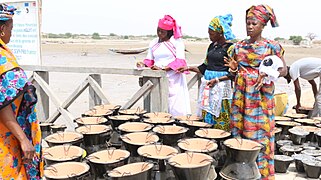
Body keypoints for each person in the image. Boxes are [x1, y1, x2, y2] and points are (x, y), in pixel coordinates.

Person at [225, 4, 287, 179]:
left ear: (263, 25)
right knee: (239, 134)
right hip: (240, 98)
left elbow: (283, 70)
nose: (250, 27)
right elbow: (233, 75)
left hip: (261, 99)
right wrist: (234, 70)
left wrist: (267, 74)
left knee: (260, 136)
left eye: (254, 23)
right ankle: (240, 173)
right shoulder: (238, 47)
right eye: (247, 23)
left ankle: (261, 174)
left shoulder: (272, 47)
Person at [0, 3, 43, 179]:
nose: (12, 33)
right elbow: (3, 105)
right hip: (5, 139)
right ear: (2, 29)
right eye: (11, 28)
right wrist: (24, 140)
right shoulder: (3, 59)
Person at [178, 14, 235, 131]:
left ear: (220, 33)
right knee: (207, 110)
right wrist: (188, 68)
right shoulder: (211, 46)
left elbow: (233, 73)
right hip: (208, 85)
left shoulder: (231, 48)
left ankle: (221, 138)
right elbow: (204, 67)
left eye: (211, 33)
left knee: (220, 112)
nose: (209, 35)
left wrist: (218, 80)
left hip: (220, 85)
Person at [142, 15, 191, 116]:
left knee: (175, 105)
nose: (159, 33)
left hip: (174, 78)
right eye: (158, 30)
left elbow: (180, 61)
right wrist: (142, 64)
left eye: (162, 32)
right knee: (158, 102)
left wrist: (163, 69)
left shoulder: (177, 42)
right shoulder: (153, 42)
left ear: (169, 32)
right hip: (158, 77)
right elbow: (149, 60)